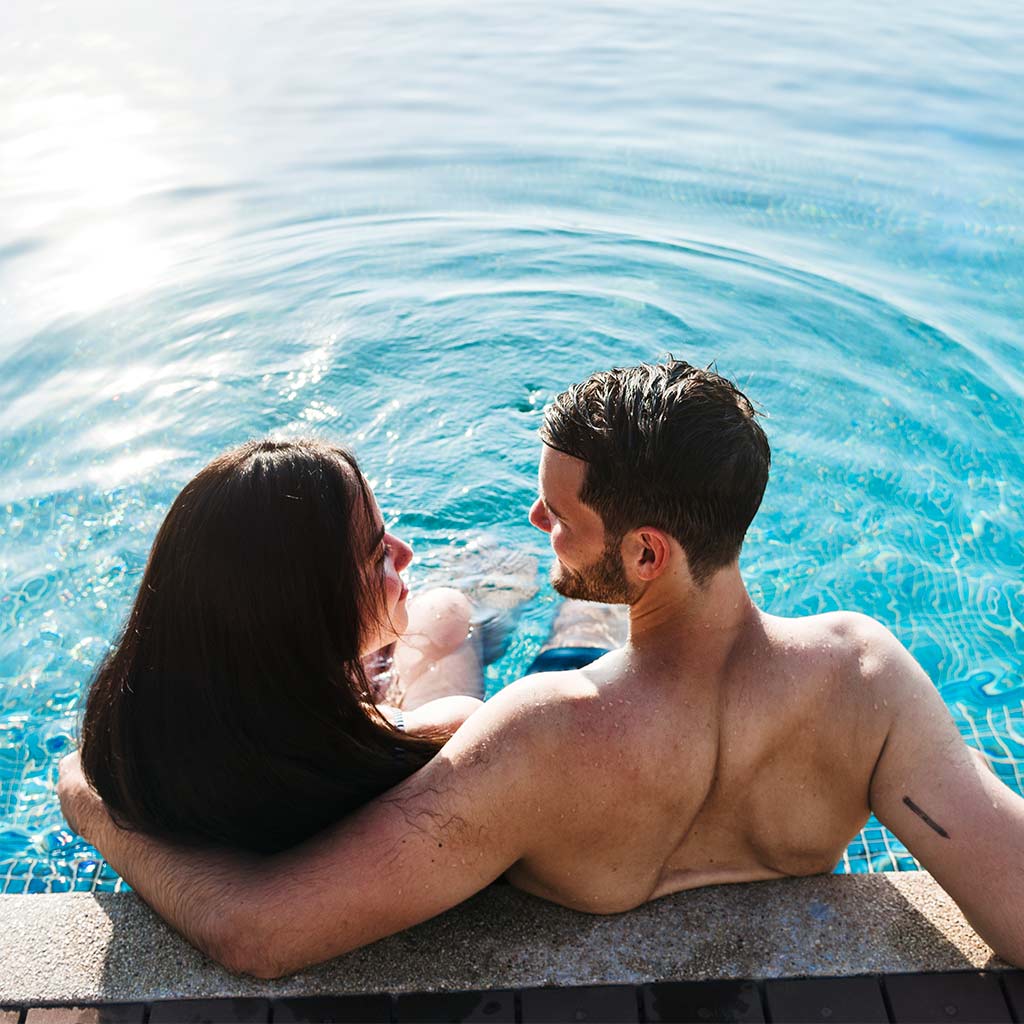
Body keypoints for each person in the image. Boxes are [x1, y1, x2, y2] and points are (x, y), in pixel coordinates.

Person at [60, 360, 1024, 976]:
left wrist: (94, 806)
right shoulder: (865, 674)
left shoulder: (533, 736)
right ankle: (569, 592)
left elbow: (258, 934)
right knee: (549, 604)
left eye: (559, 513)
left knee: (451, 613)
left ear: (646, 552)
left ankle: (519, 598)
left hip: (596, 728)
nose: (537, 517)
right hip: (660, 677)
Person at [76, 438, 486, 855]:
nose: (406, 552)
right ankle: (559, 639)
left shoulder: (132, 736)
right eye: (379, 553)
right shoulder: (441, 734)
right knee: (446, 612)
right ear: (311, 610)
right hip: (374, 738)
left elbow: (72, 775)